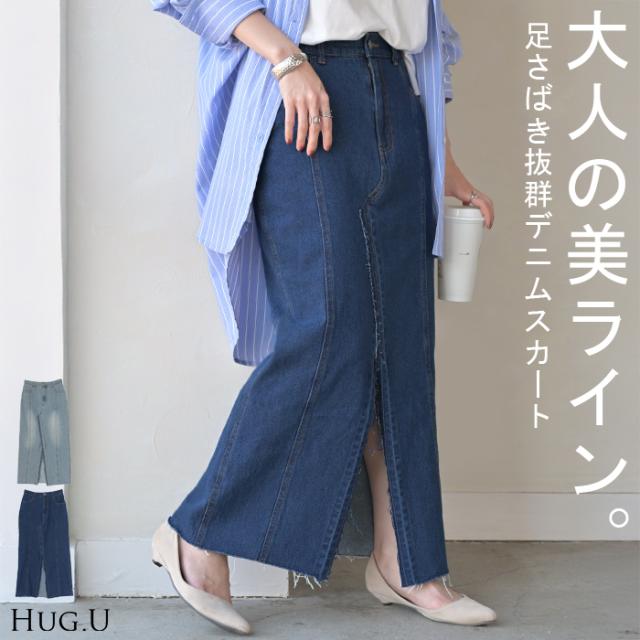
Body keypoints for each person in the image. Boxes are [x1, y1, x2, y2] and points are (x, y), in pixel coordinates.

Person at [149, 0, 496, 634]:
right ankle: (197, 531)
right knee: (329, 330)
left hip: (396, 91)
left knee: (402, 345)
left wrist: (444, 160)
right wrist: (285, 58)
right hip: (300, 88)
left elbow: (426, 35)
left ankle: (407, 562)